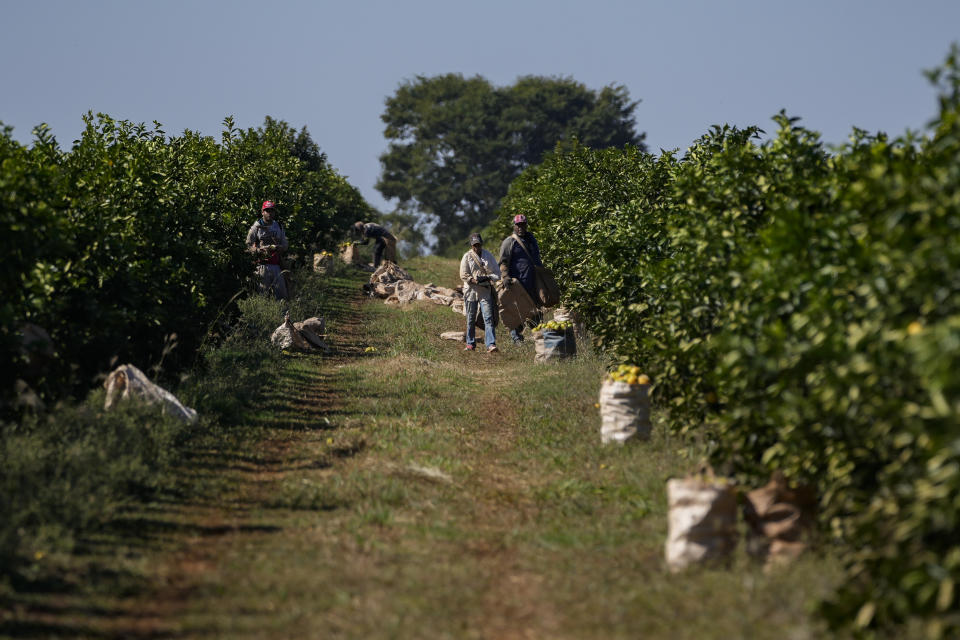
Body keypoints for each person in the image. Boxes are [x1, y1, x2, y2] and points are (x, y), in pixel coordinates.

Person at [498, 213, 544, 345]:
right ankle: (516, 338)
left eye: (523, 225)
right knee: (518, 313)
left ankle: (539, 339)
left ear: (526, 225)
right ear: (514, 226)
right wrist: (505, 276)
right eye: (518, 225)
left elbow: (536, 257)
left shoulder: (531, 239)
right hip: (518, 285)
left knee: (536, 312)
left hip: (533, 283)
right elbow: (503, 262)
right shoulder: (509, 242)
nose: (520, 228)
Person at [460, 233, 501, 352]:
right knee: (471, 318)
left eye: (478, 244)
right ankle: (470, 343)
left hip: (485, 290)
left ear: (481, 244)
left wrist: (487, 278)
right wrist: (474, 280)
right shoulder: (467, 256)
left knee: (488, 317)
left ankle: (491, 344)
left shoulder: (488, 256)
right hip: (471, 290)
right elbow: (463, 274)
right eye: (474, 245)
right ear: (471, 245)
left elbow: (497, 273)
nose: (477, 247)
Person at [246, 200, 289, 300]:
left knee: (282, 296)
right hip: (261, 266)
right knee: (262, 296)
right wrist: (257, 250)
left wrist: (280, 248)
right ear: (262, 212)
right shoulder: (256, 227)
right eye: (267, 210)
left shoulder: (278, 226)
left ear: (274, 212)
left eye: (271, 211)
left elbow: (285, 245)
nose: (269, 213)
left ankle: (283, 315)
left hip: (276, 266)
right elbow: (248, 245)